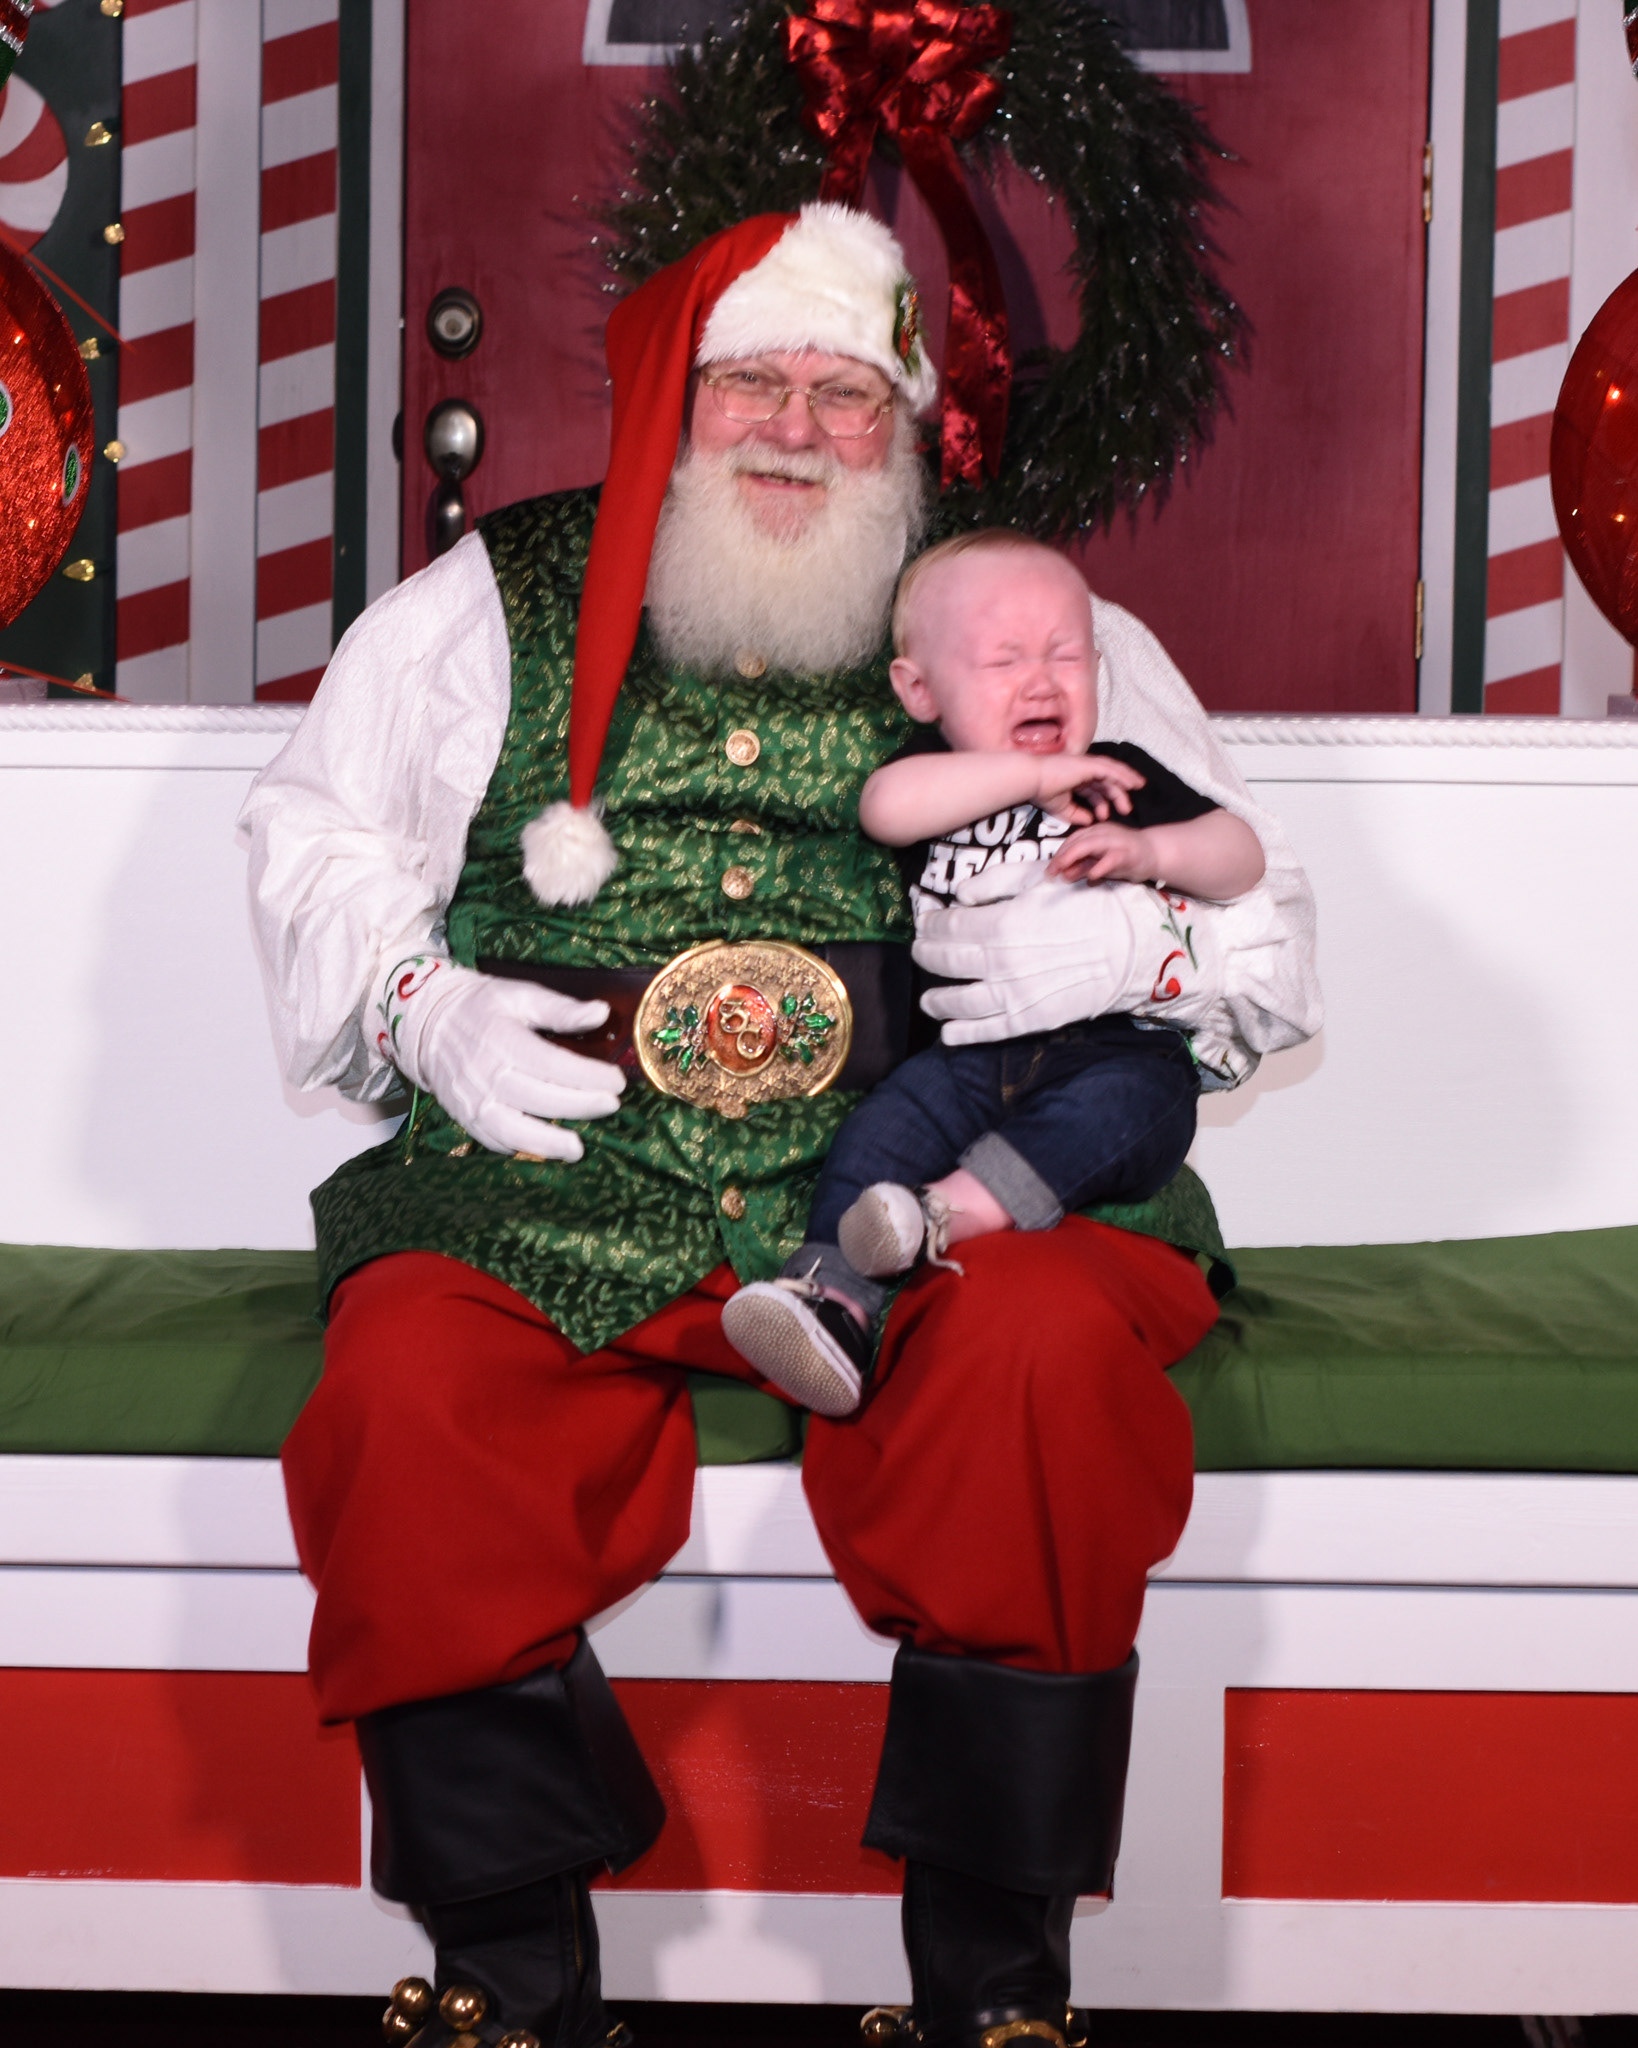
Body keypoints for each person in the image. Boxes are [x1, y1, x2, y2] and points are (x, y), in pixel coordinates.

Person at [242, 202, 1320, 2048]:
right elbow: (314, 833)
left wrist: (1140, 942)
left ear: (904, 422)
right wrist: (421, 1007)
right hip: (563, 1165)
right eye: (754, 380)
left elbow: (1247, 898)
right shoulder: (491, 599)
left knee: (1043, 1363)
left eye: (845, 393)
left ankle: (994, 1987)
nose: (797, 428)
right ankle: (511, 1972)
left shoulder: (1017, 617)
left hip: (926, 1170)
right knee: (407, 1387)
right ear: (677, 394)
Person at [721, 528, 1268, 1417]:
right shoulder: (935, 777)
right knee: (880, 1132)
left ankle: (945, 1212)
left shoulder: (1119, 774)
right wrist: (1027, 774)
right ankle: (831, 1303)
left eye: (1065, 656)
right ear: (920, 689)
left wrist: (1151, 849)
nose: (1042, 681)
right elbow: (885, 809)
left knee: (1139, 1107)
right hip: (964, 1056)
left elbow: (1242, 855)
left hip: (1113, 1049)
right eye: (1004, 660)